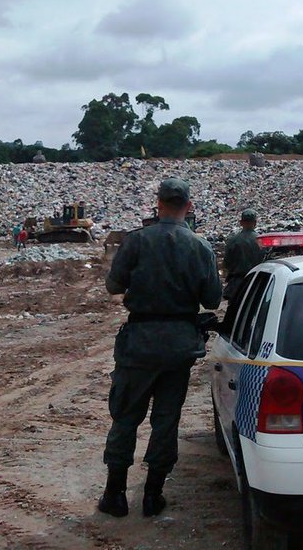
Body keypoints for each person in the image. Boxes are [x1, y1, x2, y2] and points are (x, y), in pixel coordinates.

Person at [98, 178, 223, 518]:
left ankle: (115, 495)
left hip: (138, 345)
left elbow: (113, 285)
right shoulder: (201, 246)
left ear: (158, 203)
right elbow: (212, 298)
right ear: (189, 206)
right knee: (166, 421)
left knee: (125, 417)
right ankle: (153, 496)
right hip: (179, 346)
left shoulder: (136, 241)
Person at [222, 208, 265, 301]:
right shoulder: (261, 241)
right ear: (255, 223)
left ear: (241, 222)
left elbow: (226, 263)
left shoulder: (233, 240)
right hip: (257, 282)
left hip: (237, 285)